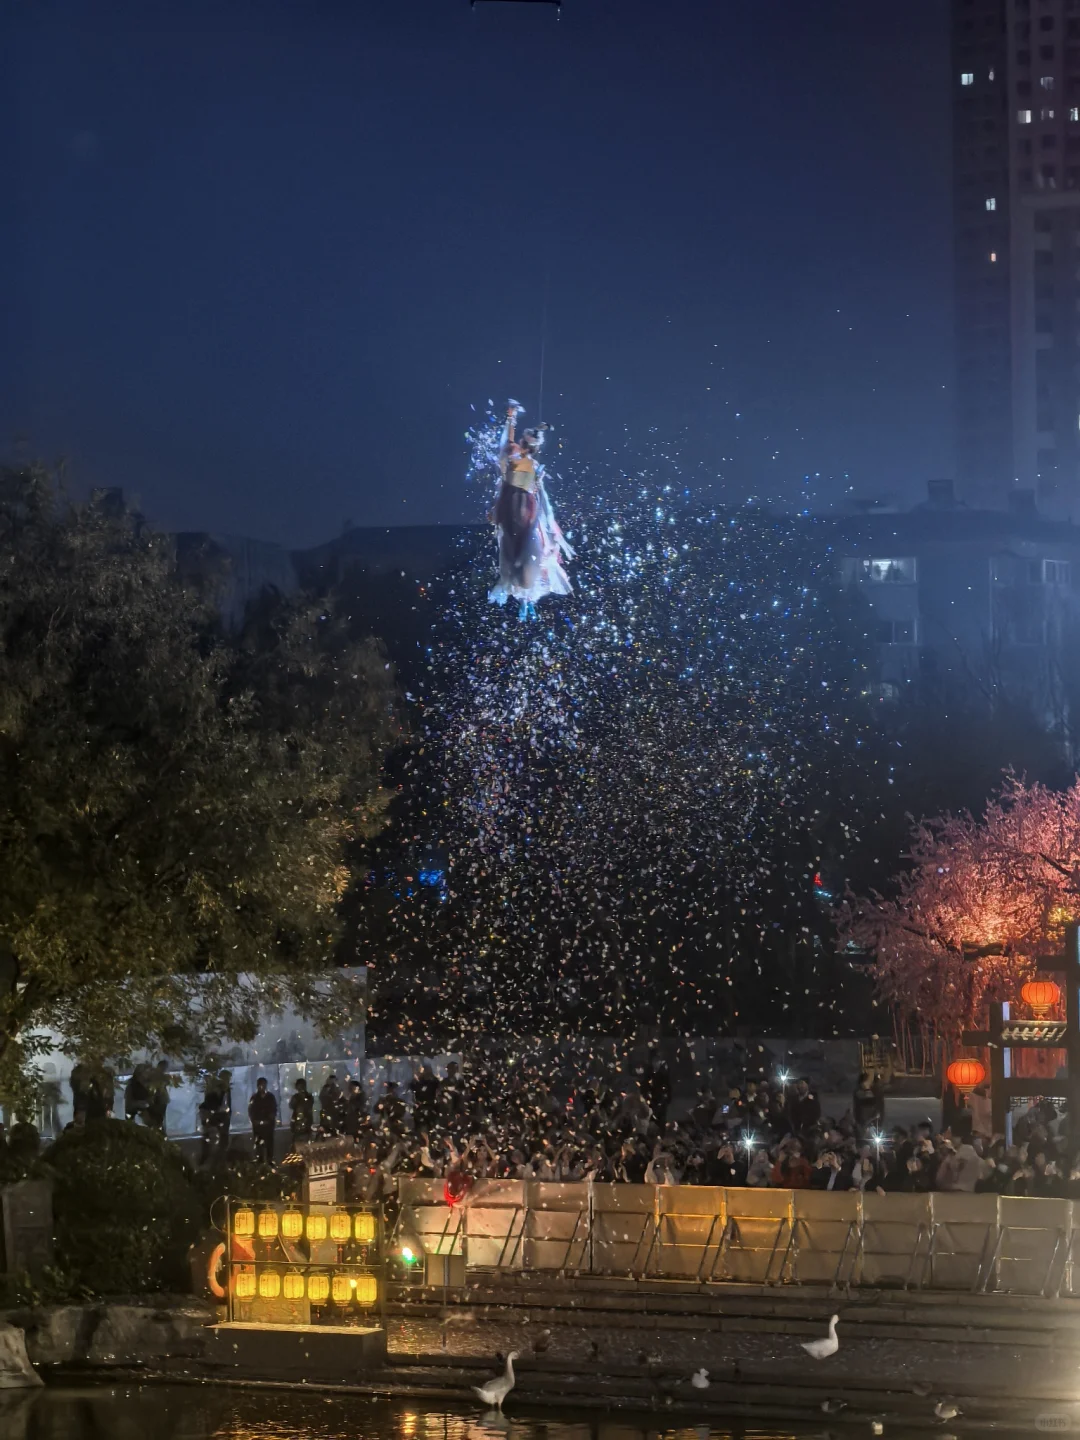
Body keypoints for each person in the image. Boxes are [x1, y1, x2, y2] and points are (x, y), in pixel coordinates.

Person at [488, 401, 573, 615]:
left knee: (528, 556)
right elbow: (506, 442)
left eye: (529, 446)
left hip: (526, 512)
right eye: (525, 443)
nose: (525, 447)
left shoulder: (533, 466)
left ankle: (528, 598)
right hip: (511, 510)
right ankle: (523, 595)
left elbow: (541, 496)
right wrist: (511, 418)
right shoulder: (512, 455)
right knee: (511, 556)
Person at [248, 1078, 278, 1165]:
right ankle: (260, 1159)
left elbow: (274, 1109)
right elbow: (251, 1110)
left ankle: (269, 1159)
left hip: (268, 1125)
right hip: (258, 1125)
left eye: (263, 1084)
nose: (261, 1086)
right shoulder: (254, 1098)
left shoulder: (270, 1097)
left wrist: (269, 1119)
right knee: (259, 1143)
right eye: (260, 1084)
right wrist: (254, 1120)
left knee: (269, 1143)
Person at [146, 1061, 171, 1133]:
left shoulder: (153, 1074)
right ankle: (159, 1134)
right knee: (157, 1119)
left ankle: (158, 1133)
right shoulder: (157, 1075)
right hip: (157, 1099)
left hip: (158, 1099)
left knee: (157, 1119)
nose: (164, 1069)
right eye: (164, 1067)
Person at [290, 1077, 314, 1147]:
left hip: (306, 1121)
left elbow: (309, 1105)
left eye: (301, 1086)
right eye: (298, 1086)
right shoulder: (295, 1097)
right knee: (296, 1142)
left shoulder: (309, 1096)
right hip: (297, 1122)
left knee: (307, 1141)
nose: (300, 1088)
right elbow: (291, 1106)